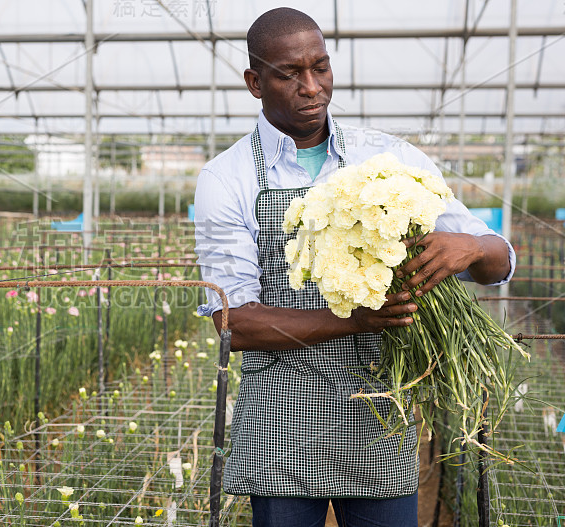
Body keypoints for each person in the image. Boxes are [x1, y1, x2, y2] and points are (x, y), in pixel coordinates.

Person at [193, 7, 515, 527]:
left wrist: (471, 248)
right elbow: (234, 321)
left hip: (378, 412)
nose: (311, 86)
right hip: (280, 422)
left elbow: (499, 261)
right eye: (289, 73)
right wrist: (355, 321)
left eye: (320, 67)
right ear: (255, 82)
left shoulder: (389, 157)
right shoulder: (225, 178)